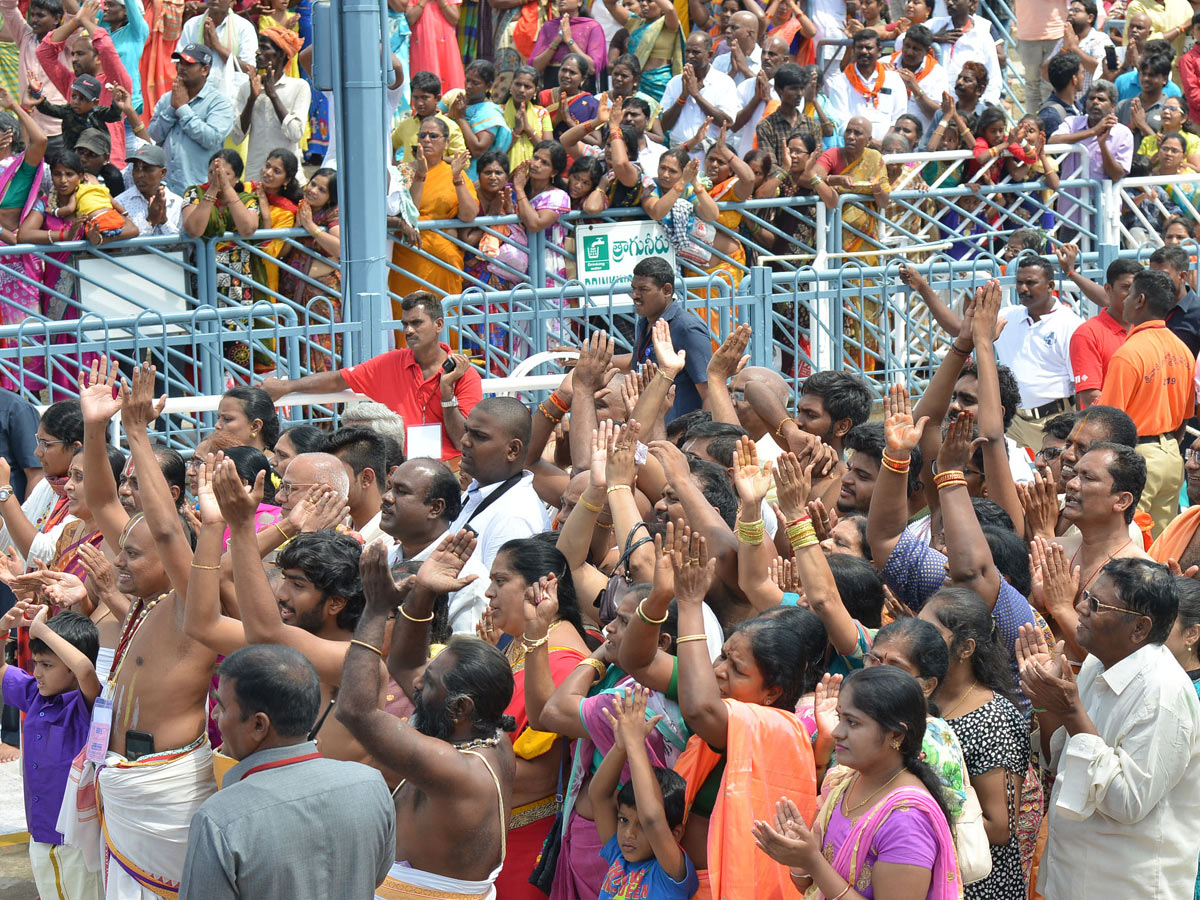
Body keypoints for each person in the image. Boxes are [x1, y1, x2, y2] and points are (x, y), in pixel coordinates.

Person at [70, 361, 219, 898]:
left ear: (172, 555)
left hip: (168, 790)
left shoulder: (190, 599)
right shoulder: (146, 596)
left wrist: (137, 433)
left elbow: (161, 526)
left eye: (134, 555)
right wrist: (94, 427)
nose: (121, 563)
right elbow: (108, 503)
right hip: (123, 778)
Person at [335, 537, 515, 899]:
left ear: (460, 707)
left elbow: (354, 711)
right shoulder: (483, 731)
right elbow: (405, 663)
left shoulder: (455, 767)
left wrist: (375, 610)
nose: (416, 682)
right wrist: (423, 593)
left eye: (429, 683)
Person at [1018, 558, 1200, 899]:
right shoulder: (1096, 664)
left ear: (1140, 629)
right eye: (1086, 596)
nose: (1081, 609)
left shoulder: (1163, 694)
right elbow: (1061, 764)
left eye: (1096, 604)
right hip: (1074, 877)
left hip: (1126, 886)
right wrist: (1046, 701)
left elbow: (1129, 802)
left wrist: (1072, 712)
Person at [178, 644, 394, 900]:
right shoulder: (371, 785)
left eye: (222, 707)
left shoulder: (220, 818)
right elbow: (375, 876)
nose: (214, 714)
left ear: (259, 724)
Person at [752, 666, 961, 900]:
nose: (837, 732)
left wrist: (812, 860)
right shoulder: (846, 781)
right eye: (840, 718)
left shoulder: (907, 820)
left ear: (896, 735)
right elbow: (811, 888)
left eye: (853, 723)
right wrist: (801, 859)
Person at [261, 292, 482, 464]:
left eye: (416, 323)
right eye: (404, 324)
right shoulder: (391, 362)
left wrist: (446, 392)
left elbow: (461, 441)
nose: (408, 330)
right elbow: (339, 380)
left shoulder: (463, 374)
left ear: (439, 325)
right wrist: (287, 386)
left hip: (449, 468)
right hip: (400, 467)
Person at [920, 588, 1033, 900]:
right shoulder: (924, 696)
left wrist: (915, 818)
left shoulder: (993, 718)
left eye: (929, 633)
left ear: (965, 648)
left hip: (977, 884)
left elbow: (999, 828)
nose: (916, 640)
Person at [0, 604, 103, 900]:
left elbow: (85, 669)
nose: (38, 673)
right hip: (40, 833)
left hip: (76, 842)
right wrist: (3, 628)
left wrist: (42, 630)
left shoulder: (86, 705)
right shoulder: (34, 693)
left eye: (47, 665)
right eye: (36, 664)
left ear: (70, 668)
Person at [1097, 269, 1196, 536]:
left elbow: (1109, 423)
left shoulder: (1128, 354)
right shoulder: (1183, 350)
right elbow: (1185, 417)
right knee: (1164, 544)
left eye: (1129, 294)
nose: (1124, 300)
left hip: (1139, 456)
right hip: (1172, 457)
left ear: (1140, 300)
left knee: (1129, 542)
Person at [588, 686, 699, 899]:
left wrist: (635, 743)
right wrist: (621, 746)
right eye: (623, 820)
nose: (629, 833)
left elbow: (653, 819)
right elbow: (599, 796)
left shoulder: (670, 873)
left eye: (641, 826)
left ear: (675, 834)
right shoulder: (619, 857)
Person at [381, 457, 490, 634]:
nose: (386, 498)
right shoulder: (383, 558)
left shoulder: (466, 580)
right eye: (389, 488)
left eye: (401, 491)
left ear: (435, 508)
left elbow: (463, 656)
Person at [994, 255, 1085, 450]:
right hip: (1013, 422)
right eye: (1019, 283)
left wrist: (1078, 432)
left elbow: (1081, 387)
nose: (1022, 289)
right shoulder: (1007, 316)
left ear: (1050, 285)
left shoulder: (1070, 325)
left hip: (1052, 422)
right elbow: (960, 331)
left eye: (1030, 283)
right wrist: (925, 289)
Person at [35, 0, 133, 168]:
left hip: (108, 164)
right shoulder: (71, 82)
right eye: (72, 54)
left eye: (80, 54)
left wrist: (87, 23)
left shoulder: (116, 83)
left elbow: (107, 49)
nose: (73, 59)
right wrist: (76, 21)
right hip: (73, 168)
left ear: (97, 58)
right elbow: (44, 52)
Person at [389, 117, 479, 301]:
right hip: (408, 255)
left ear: (446, 142)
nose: (427, 140)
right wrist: (420, 175)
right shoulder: (403, 172)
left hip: (443, 257)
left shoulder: (454, 172)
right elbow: (407, 214)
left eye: (433, 136)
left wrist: (456, 178)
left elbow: (469, 215)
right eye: (422, 135)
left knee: (442, 316)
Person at [620, 257, 713, 421]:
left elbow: (709, 392)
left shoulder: (687, 329)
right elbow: (637, 362)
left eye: (643, 289)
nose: (635, 295)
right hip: (649, 430)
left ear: (667, 290)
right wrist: (583, 358)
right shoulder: (645, 323)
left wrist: (700, 440)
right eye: (633, 288)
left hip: (677, 437)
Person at [147, 44, 238, 196]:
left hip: (198, 190)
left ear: (205, 70)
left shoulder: (219, 102)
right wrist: (172, 108)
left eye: (189, 64)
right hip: (166, 188)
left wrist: (182, 109)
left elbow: (212, 139)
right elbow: (154, 135)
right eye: (180, 63)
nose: (182, 68)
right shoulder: (168, 98)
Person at [230, 28, 311, 188]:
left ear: (281, 55)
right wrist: (252, 99)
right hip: (255, 178)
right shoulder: (248, 88)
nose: (257, 52)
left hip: (288, 182)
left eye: (265, 48)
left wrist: (272, 95)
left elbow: (295, 133)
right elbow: (237, 136)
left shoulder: (299, 87)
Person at [1062, 247, 1138, 408]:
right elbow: (1090, 396)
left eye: (1136, 289)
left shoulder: (1144, 328)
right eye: (1126, 287)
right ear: (1108, 289)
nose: (1132, 294)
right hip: (1111, 428)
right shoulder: (1088, 334)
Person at [0, 0, 69, 146]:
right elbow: (8, 6)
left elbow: (75, 17)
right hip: (28, 126)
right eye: (32, 15)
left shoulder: (66, 41)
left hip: (58, 129)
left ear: (57, 19)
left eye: (40, 16)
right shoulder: (25, 36)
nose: (34, 20)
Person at [659, 31, 737, 158]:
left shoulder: (724, 82)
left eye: (696, 52)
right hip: (679, 154)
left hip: (709, 158)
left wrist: (696, 95)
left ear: (710, 55)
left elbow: (727, 122)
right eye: (687, 51)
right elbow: (662, 126)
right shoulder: (675, 83)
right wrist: (682, 98)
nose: (690, 56)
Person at [825, 30, 908, 140]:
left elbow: (899, 117)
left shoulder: (893, 79)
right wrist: (870, 142)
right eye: (860, 47)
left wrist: (884, 143)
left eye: (869, 48)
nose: (864, 51)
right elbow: (841, 123)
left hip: (889, 147)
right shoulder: (840, 82)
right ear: (854, 50)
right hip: (854, 147)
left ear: (879, 51)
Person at [176, 0, 258, 103]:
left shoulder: (244, 27)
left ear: (232, 2)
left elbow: (249, 69)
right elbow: (178, 64)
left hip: (231, 100)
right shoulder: (192, 25)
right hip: (195, 98)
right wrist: (205, 49)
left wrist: (217, 46)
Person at [601, 0, 682, 102]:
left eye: (649, 1)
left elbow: (670, 9)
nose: (644, 3)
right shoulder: (635, 23)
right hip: (634, 84)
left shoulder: (669, 25)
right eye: (641, 0)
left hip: (659, 84)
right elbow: (609, 3)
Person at [925, 0, 1003, 105]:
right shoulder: (935, 25)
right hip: (936, 104)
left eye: (955, 0)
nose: (949, 3)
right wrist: (934, 38)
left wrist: (985, 105)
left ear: (971, 2)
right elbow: (902, 41)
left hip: (969, 108)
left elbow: (994, 76)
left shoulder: (982, 35)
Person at [28, 72, 122, 156]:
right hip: (73, 155)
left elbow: (114, 115)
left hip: (96, 155)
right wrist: (37, 93)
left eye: (82, 98)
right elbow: (48, 108)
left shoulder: (99, 112)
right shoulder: (67, 111)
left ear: (95, 103)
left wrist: (116, 103)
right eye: (74, 96)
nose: (76, 101)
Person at [449, 60, 513, 179]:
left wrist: (461, 118)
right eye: (467, 80)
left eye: (475, 83)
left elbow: (478, 150)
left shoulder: (489, 113)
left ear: (488, 86)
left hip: (472, 176)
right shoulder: (458, 102)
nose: (468, 86)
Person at [392, 70, 467, 163]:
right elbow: (390, 144)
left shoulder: (450, 126)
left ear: (438, 99)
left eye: (424, 97)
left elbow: (463, 161)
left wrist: (435, 158)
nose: (419, 103)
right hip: (410, 177)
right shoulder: (406, 125)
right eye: (416, 97)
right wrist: (394, 164)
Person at [531, 0, 607, 91]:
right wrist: (557, 40)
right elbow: (535, 67)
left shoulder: (592, 27)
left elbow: (592, 68)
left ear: (579, 2)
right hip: (552, 85)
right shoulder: (549, 26)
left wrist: (569, 40)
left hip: (582, 87)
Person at [115, 143, 185, 236]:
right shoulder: (120, 203)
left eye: (147, 169)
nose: (139, 175)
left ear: (163, 173)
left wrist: (164, 222)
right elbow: (124, 248)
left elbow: (184, 247)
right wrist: (150, 222)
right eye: (136, 168)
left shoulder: (176, 203)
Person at [889, 24, 949, 134]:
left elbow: (938, 115)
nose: (909, 52)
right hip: (887, 138)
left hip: (920, 141)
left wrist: (915, 88)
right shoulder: (884, 64)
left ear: (927, 51)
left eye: (916, 49)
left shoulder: (937, 73)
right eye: (907, 46)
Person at [406, 0, 465, 92]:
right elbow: (410, 19)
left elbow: (454, 19)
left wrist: (442, 2)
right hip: (422, 45)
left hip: (445, 45)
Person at [504, 66, 553, 167]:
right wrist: (516, 131)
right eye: (518, 84)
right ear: (511, 85)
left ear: (535, 91)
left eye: (527, 87)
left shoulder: (542, 113)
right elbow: (495, 152)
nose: (521, 90)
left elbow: (549, 151)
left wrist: (528, 129)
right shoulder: (498, 112)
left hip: (534, 174)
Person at [1039, 51, 1084, 137]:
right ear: (1074, 79)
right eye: (1082, 73)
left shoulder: (1077, 105)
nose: (1083, 77)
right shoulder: (1051, 115)